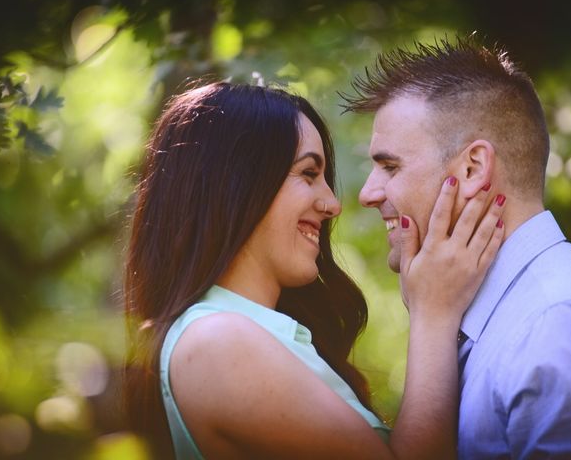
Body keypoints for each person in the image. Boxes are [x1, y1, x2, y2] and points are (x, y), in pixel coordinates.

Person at [123, 81, 506, 459]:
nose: (332, 204)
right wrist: (433, 312)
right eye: (308, 174)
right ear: (236, 182)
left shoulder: (246, 333)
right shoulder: (218, 340)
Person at [343, 37, 571, 459]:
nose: (368, 193)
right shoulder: (505, 316)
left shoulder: (563, 327)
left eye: (390, 166)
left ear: (472, 168)